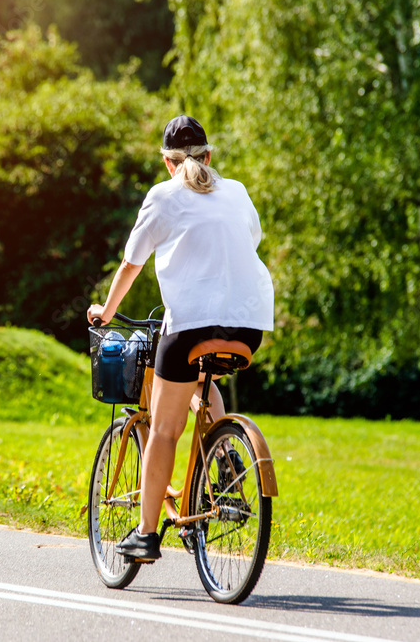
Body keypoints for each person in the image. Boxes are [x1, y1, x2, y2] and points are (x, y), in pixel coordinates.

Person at [86, 115, 274, 562]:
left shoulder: (163, 196)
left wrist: (105, 312)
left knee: (166, 430)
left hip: (189, 325)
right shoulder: (238, 191)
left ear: (168, 164)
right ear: (209, 157)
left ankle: (146, 534)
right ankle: (225, 465)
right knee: (204, 386)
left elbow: (131, 264)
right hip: (248, 326)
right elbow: (249, 239)